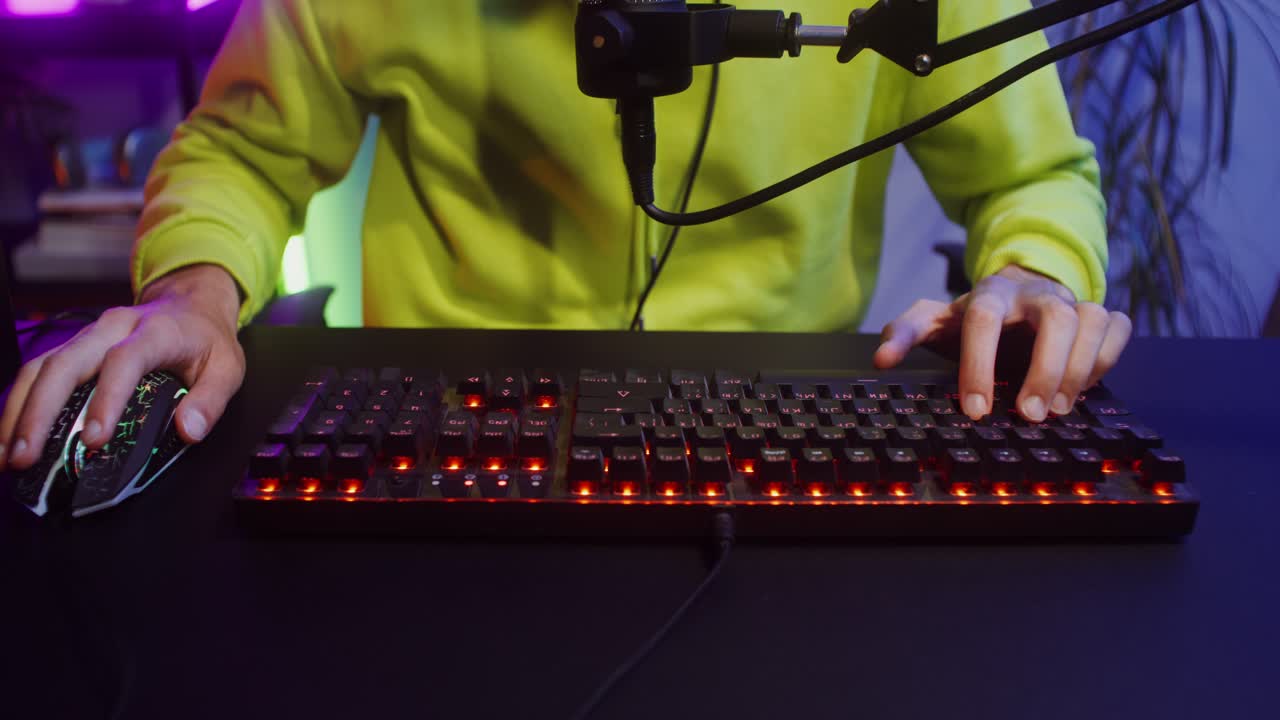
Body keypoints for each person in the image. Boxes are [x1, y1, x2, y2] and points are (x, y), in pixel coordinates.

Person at [0, 0, 1131, 473]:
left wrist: (1030, 273)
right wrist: (191, 296)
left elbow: (1028, 171)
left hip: (768, 451)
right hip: (427, 455)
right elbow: (241, 152)